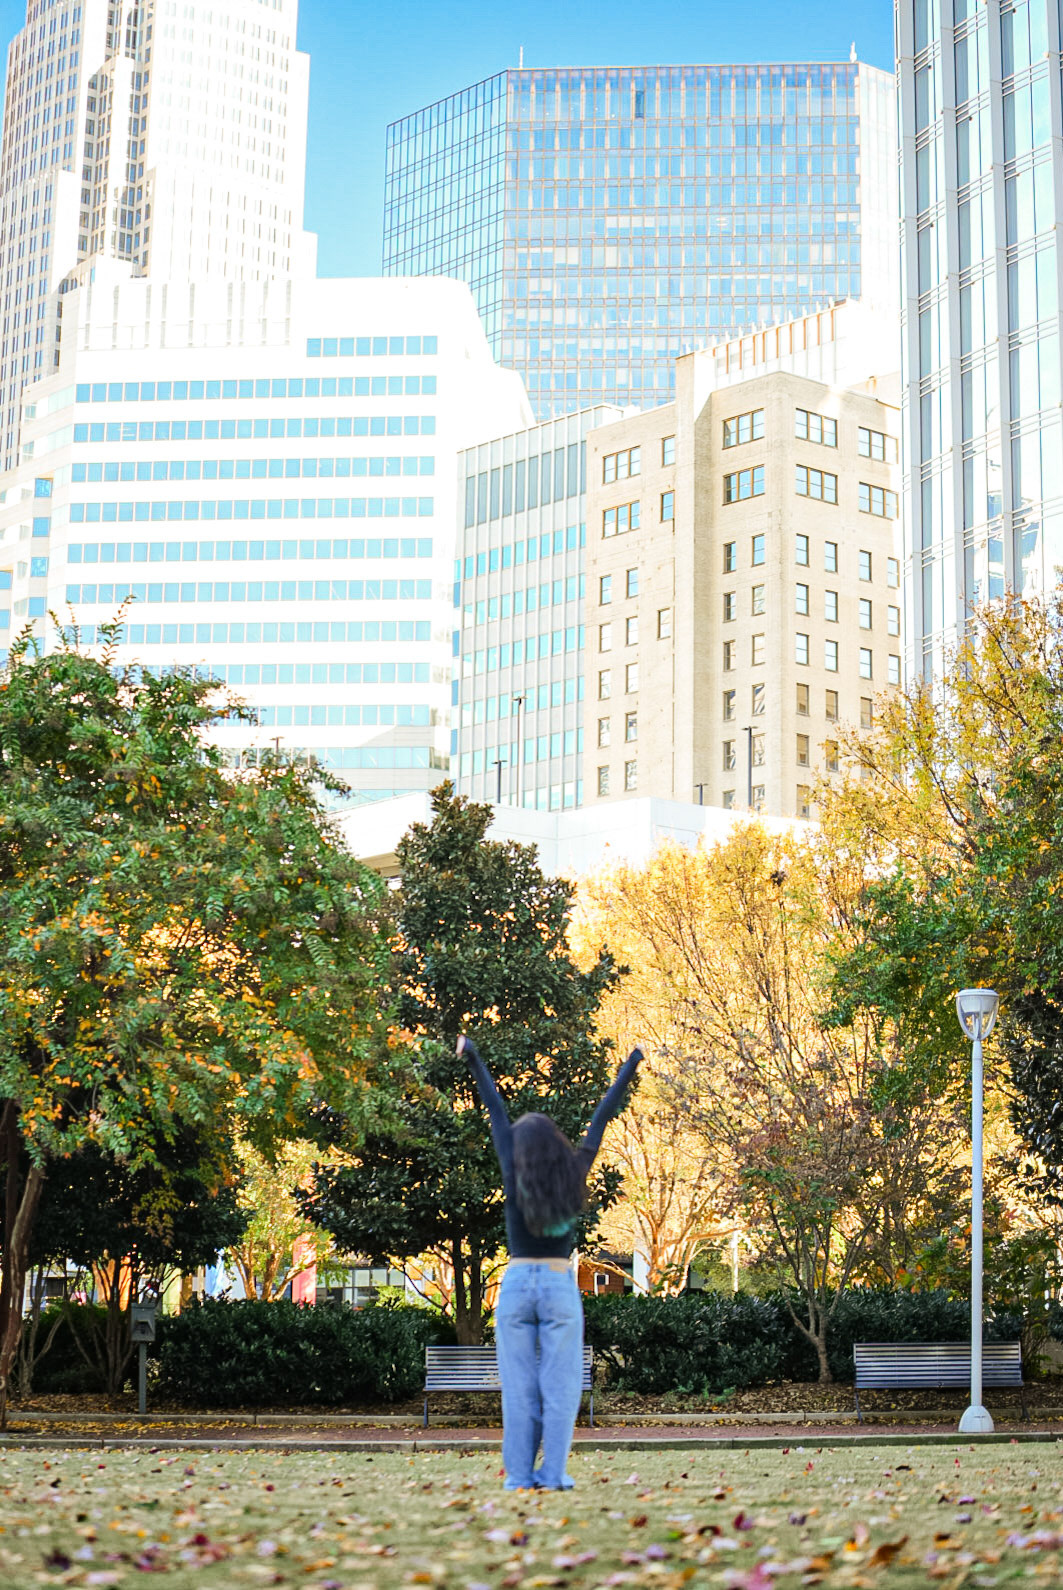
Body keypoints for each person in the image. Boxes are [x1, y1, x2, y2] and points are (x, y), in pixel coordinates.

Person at [458, 1033, 643, 1491]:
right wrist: (630, 1066)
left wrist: (473, 1056)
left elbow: (495, 1109)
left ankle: (520, 1477)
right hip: (559, 1285)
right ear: (557, 1145)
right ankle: (553, 1473)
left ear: (520, 1147)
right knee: (560, 1387)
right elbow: (602, 1116)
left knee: (519, 1388)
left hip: (518, 1282)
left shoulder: (512, 1165)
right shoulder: (574, 1170)